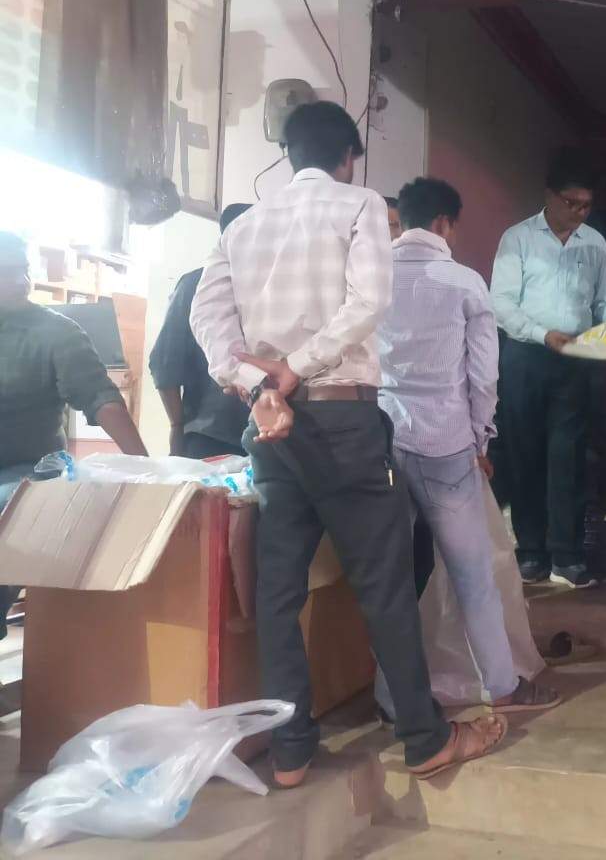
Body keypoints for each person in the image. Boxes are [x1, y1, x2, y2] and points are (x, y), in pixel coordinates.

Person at [190, 101, 505, 788]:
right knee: (383, 583)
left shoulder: (243, 226)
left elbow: (206, 318)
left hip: (271, 427)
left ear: (288, 153)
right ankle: (424, 738)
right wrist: (297, 368)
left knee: (277, 590)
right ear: (348, 158)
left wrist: (259, 385)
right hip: (342, 420)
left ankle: (291, 750)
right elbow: (368, 302)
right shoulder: (359, 204)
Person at [376, 176, 560, 715]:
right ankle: (502, 687)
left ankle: (389, 699)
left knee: (393, 577)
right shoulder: (464, 282)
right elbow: (484, 375)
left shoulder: (369, 277)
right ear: (444, 223)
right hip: (446, 443)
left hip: (383, 441)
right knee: (472, 575)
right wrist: (482, 438)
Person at [0, 230, 148, 635]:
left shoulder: (56, 333)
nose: (21, 281)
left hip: (28, 470)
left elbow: (101, 399)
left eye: (23, 270)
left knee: (7, 509)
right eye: (7, 272)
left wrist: (146, 468)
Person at [490, 149, 606, 588]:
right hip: (525, 355)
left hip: (576, 359)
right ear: (549, 196)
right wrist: (541, 333)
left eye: (586, 205)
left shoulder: (594, 242)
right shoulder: (518, 238)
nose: (579, 212)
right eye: (571, 203)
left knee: (568, 457)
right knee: (524, 453)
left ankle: (567, 556)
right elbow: (500, 303)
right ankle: (531, 552)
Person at [150, 204, 252, 459]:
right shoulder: (282, 284)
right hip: (269, 434)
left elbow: (164, 364)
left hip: (209, 435)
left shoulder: (195, 284)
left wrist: (177, 426)